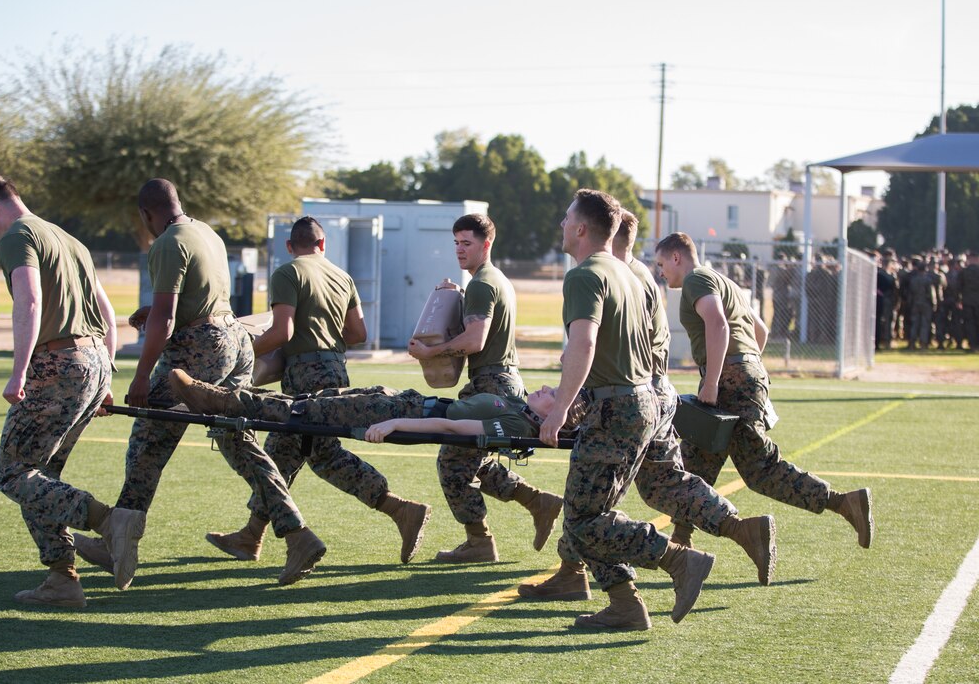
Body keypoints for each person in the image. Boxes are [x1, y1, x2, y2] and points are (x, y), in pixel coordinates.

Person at [74, 179, 326, 586]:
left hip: (198, 349)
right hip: (235, 341)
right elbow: (197, 298)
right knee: (238, 441)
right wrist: (153, 310)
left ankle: (117, 540)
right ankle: (297, 533)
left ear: (146, 214)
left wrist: (141, 375)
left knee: (148, 444)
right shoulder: (206, 232)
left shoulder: (167, 243)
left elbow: (167, 320)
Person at [520, 209, 775, 605]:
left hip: (626, 397)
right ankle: (740, 531)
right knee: (662, 485)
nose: (563, 225)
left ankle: (643, 569)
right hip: (653, 395)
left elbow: (592, 347)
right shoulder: (637, 275)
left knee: (592, 507)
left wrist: (564, 402)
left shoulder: (607, 274)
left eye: (569, 219)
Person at [534, 189, 717, 632]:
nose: (561, 226)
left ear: (581, 228)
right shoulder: (628, 275)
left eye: (565, 219)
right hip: (639, 403)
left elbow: (584, 343)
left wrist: (559, 409)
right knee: (588, 517)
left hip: (615, 408)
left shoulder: (585, 275)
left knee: (581, 519)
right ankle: (625, 605)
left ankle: (678, 560)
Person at [205, 217, 432, 565]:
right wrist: (324, 335)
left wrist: (244, 353)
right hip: (335, 369)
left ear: (290, 246)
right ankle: (252, 535)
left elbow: (282, 331)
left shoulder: (288, 272)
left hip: (303, 375)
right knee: (296, 454)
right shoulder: (342, 276)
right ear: (323, 244)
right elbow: (358, 334)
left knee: (305, 452)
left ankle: (400, 509)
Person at [0, 176, 143, 608]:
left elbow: (28, 302)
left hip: (56, 364)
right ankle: (62, 579)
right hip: (91, 361)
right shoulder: (68, 239)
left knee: (13, 474)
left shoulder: (17, 236)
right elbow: (105, 309)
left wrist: (19, 372)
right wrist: (105, 372)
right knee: (40, 478)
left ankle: (109, 521)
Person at [654, 232, 873, 551]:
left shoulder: (696, 280)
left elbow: (717, 325)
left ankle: (844, 503)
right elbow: (761, 330)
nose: (660, 271)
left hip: (729, 378)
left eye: (661, 263)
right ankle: (680, 543)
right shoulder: (722, 280)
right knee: (696, 462)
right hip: (745, 372)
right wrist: (746, 366)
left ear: (677, 257)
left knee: (760, 469)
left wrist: (715, 379)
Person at [407, 214, 562, 563]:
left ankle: (480, 542)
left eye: (468, 244)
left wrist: (430, 351)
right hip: (498, 380)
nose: (460, 250)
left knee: (452, 464)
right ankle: (537, 502)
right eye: (456, 243)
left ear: (486, 244)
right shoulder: (493, 279)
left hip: (493, 383)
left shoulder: (482, 283)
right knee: (470, 460)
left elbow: (476, 340)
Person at [168, 369, 578, 446]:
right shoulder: (516, 406)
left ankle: (218, 398)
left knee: (302, 414)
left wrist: (393, 421)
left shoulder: (516, 425)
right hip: (408, 400)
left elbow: (453, 430)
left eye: (552, 393)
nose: (544, 388)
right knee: (316, 402)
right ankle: (221, 394)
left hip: (407, 413)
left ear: (549, 416)